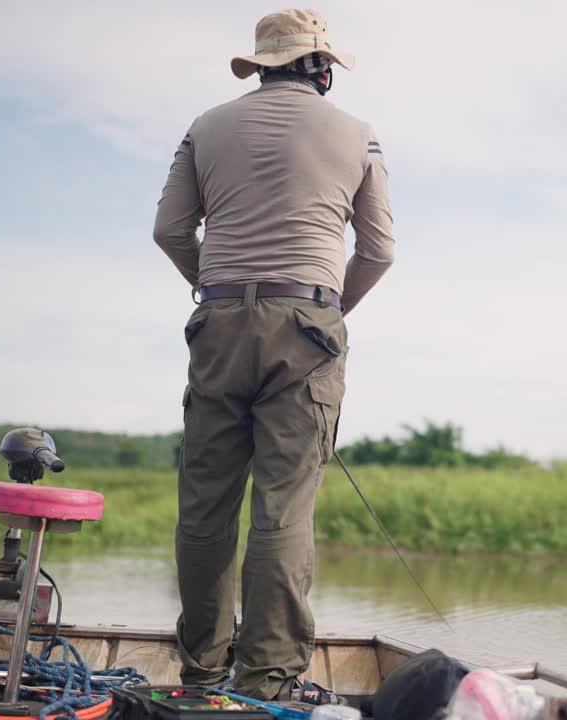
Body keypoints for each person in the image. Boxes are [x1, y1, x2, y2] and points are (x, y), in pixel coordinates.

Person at [152, 8, 395, 705]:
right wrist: (324, 314)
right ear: (320, 68)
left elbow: (169, 229)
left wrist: (218, 288)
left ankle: (200, 675)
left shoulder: (205, 126)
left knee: (204, 507)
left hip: (218, 317)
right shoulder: (358, 133)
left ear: (260, 66)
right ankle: (265, 680)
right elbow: (378, 250)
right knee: (283, 509)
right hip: (309, 320)